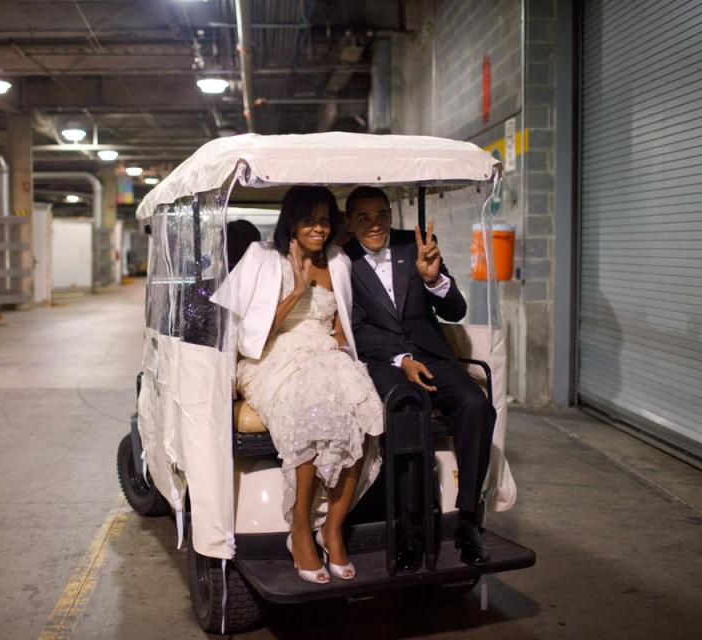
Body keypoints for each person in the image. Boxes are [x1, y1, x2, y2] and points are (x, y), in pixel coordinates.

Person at [212, 186, 383, 584]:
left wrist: (341, 349)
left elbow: (341, 323)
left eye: (324, 221)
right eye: (309, 221)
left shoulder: (338, 260)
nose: (319, 229)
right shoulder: (261, 256)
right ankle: (301, 530)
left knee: (366, 409)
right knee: (311, 408)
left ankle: (333, 527)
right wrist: (297, 293)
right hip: (270, 358)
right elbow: (245, 337)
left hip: (324, 352)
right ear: (291, 221)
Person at [343, 186, 496, 566]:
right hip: (385, 362)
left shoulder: (416, 246)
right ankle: (411, 528)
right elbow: (355, 328)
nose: (374, 224)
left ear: (390, 215)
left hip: (434, 354)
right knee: (407, 409)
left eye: (380, 214)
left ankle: (467, 520)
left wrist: (433, 280)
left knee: (476, 403)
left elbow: (456, 310)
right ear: (350, 223)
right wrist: (401, 358)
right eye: (363, 218)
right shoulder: (341, 259)